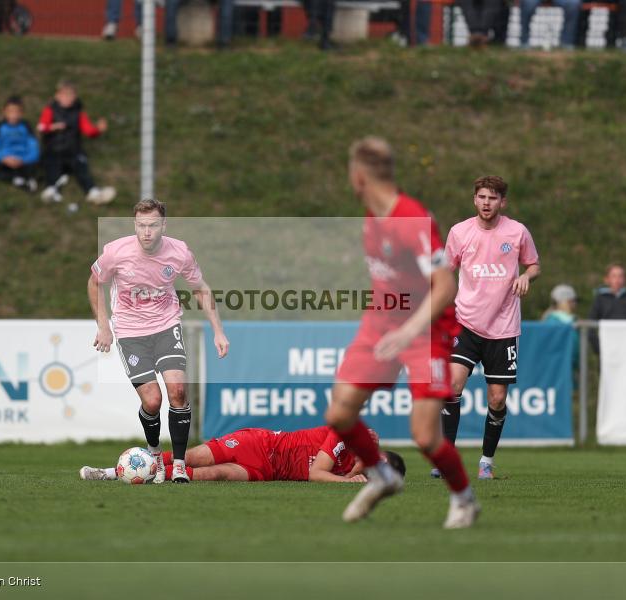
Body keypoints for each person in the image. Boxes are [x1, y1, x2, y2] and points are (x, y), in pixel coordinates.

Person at [323, 137, 478, 529]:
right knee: (340, 412)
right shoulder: (371, 217)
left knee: (425, 436)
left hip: (425, 330)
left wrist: (409, 329)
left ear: (358, 177)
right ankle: (383, 476)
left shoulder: (412, 219)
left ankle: (464, 499)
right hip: (381, 324)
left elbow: (446, 285)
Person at [88, 198, 230, 483]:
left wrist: (218, 330)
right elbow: (94, 282)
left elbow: (200, 289)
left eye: (153, 225)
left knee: (178, 391)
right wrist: (104, 325)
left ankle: (178, 465)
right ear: (135, 225)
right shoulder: (116, 251)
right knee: (152, 401)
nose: (147, 232)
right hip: (130, 333)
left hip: (166, 326)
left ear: (164, 225)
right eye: (141, 226)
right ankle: (154, 454)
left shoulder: (179, 252)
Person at [441, 175, 541, 480]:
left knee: (497, 399)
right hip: (466, 323)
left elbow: (533, 264)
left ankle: (486, 461)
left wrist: (527, 276)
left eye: (493, 198)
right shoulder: (459, 232)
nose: (487, 203)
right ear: (475, 200)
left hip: (503, 327)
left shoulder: (517, 231)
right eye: (482, 197)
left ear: (502, 202)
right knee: (452, 386)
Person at [80, 426, 407, 483]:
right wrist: (349, 480)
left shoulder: (354, 467)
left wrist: (353, 474)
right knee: (194, 458)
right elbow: (315, 473)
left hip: (270, 471)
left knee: (215, 475)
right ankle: (111, 471)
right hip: (261, 444)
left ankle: (147, 478)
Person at [37, 81, 116, 205]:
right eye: (64, 95)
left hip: (73, 150)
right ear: (57, 96)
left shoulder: (79, 113)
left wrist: (98, 130)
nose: (68, 98)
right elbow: (41, 127)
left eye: (71, 95)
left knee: (81, 166)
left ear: (75, 97)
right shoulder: (50, 110)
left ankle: (92, 192)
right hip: (53, 149)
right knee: (52, 164)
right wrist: (53, 127)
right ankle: (51, 189)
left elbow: (88, 131)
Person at [0, 95, 40, 192]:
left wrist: (23, 160)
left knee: (35, 167)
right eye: (10, 112)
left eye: (17, 112)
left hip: (21, 160)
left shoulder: (26, 126)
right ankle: (16, 179)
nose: (13, 115)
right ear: (4, 112)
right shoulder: (0, 126)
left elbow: (33, 147)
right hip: (5, 159)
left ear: (21, 113)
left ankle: (20, 178)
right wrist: (3, 158)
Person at [588, 262, 626, 353]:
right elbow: (591, 325)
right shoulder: (600, 299)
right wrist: (598, 348)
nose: (617, 279)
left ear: (624, 279)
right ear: (607, 279)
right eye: (614, 276)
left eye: (620, 276)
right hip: (606, 348)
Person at [542, 284, 579, 371]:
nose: (575, 304)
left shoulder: (572, 319)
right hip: (558, 368)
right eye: (572, 301)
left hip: (571, 366)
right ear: (565, 302)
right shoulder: (552, 321)